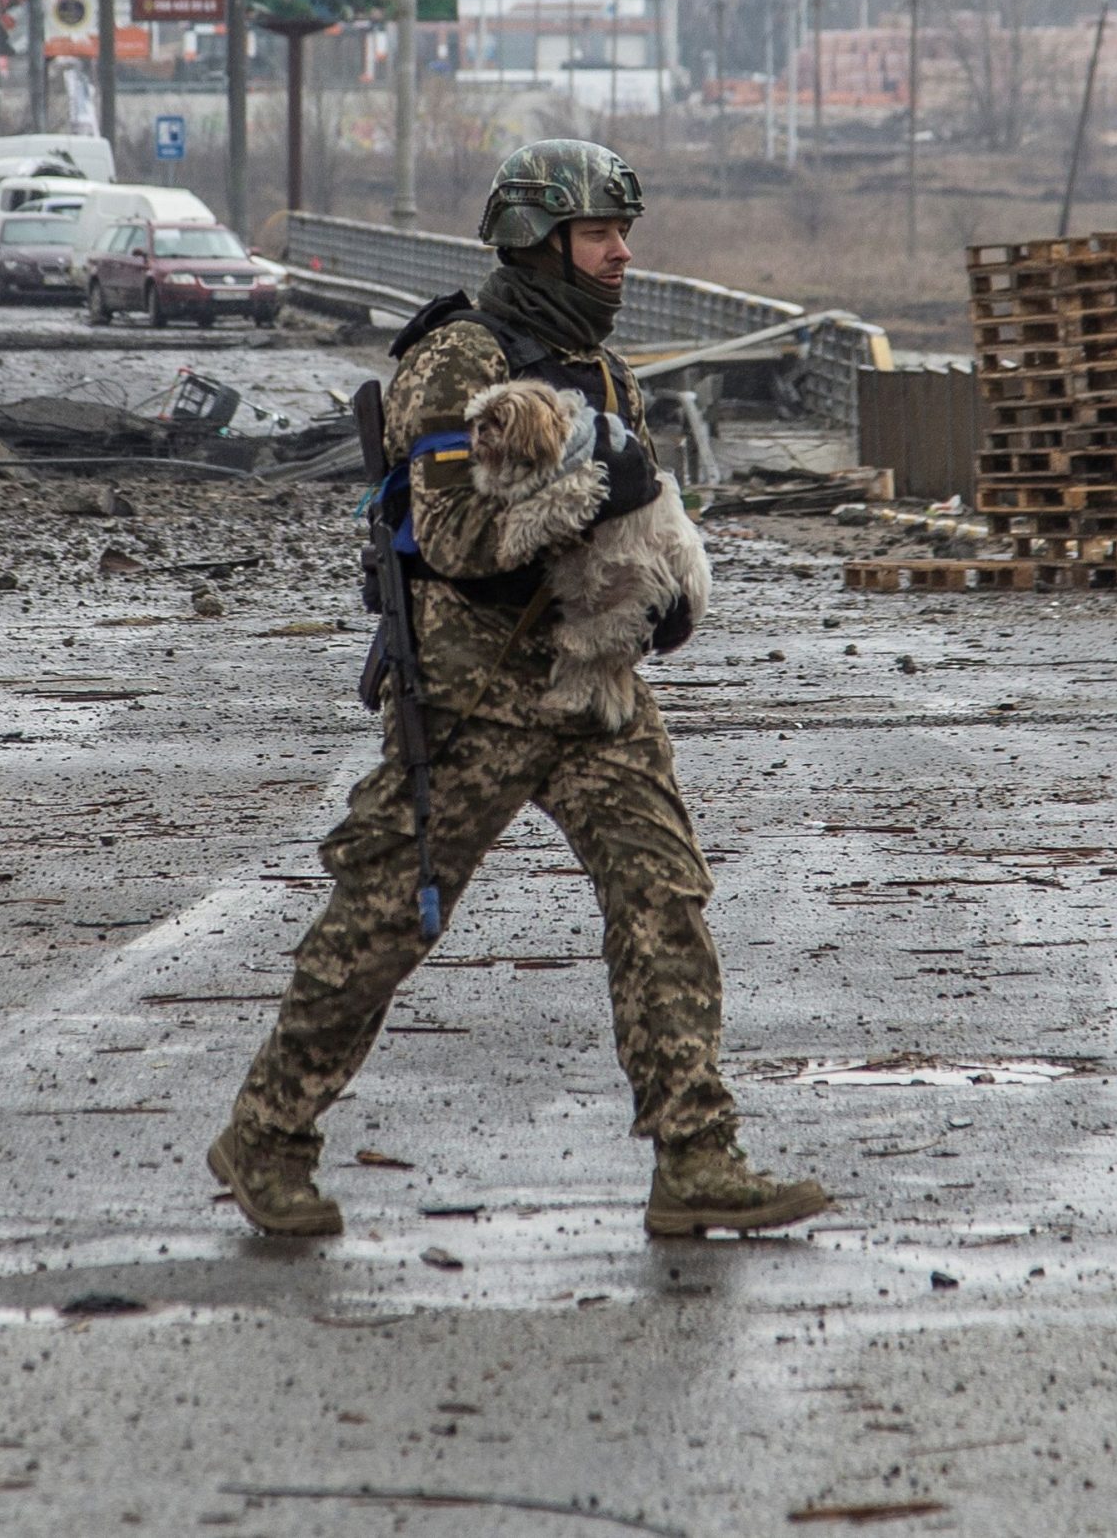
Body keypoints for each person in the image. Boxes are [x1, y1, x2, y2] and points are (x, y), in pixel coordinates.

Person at [209, 138, 832, 1240]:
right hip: (472, 697)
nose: (621, 256)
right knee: (379, 921)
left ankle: (695, 1158)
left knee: (662, 898)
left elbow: (634, 513)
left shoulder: (597, 367)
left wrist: (664, 593)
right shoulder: (457, 361)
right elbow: (452, 540)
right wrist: (596, 493)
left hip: (593, 690)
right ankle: (267, 1135)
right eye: (600, 236)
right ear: (539, 245)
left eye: (621, 234)